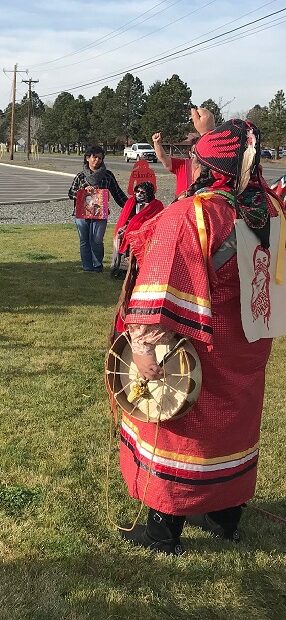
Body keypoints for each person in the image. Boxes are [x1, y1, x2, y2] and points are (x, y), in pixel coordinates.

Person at [115, 110, 281, 555]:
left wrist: (144, 349)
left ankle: (161, 531)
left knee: (181, 428)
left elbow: (162, 282)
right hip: (249, 346)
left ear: (207, 167)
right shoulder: (271, 210)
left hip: (198, 351)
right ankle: (225, 517)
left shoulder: (192, 216)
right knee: (234, 430)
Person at [68, 146, 128, 272]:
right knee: (84, 240)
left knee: (97, 239)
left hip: (100, 213)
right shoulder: (80, 176)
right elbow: (71, 193)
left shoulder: (107, 175)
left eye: (100, 158)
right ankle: (87, 266)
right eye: (94, 157)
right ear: (87, 158)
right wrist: (83, 192)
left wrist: (129, 206)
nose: (97, 160)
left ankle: (97, 265)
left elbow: (117, 193)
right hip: (81, 213)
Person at [109, 181, 164, 278]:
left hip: (146, 233)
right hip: (128, 231)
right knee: (121, 238)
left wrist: (137, 229)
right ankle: (121, 269)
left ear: (149, 193)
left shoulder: (156, 205)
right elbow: (125, 218)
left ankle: (139, 270)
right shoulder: (131, 202)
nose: (138, 194)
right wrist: (125, 228)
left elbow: (155, 221)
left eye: (142, 192)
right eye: (137, 191)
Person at [152, 131, 199, 198]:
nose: (197, 155)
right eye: (194, 152)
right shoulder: (183, 164)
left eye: (199, 152)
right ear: (190, 153)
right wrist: (157, 143)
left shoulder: (210, 167)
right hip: (182, 204)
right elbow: (163, 158)